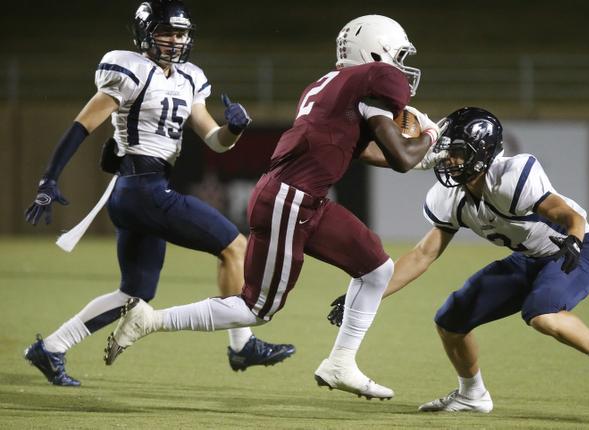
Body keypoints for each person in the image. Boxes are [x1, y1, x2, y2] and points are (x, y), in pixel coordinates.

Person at [103, 14, 448, 400]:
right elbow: (401, 158)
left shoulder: (327, 84)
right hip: (290, 198)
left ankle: (341, 363)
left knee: (377, 268)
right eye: (395, 55)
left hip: (304, 198)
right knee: (257, 308)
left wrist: (425, 158)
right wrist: (432, 135)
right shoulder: (371, 83)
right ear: (375, 51)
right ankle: (149, 320)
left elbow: (363, 149)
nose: (399, 67)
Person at [23, 0, 295, 387]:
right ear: (145, 34)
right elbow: (82, 125)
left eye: (181, 32)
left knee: (134, 294)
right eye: (166, 31)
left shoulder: (189, 79)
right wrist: (49, 178)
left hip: (143, 192)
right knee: (236, 246)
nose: (175, 40)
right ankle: (242, 344)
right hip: (141, 189)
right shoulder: (130, 69)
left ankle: (50, 348)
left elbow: (215, 141)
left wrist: (233, 129)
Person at [328, 106, 589, 411]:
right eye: (449, 149)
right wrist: (367, 297)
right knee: (451, 319)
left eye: (459, 151)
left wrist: (573, 241)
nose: (449, 158)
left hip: (574, 251)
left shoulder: (511, 177)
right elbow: (423, 254)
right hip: (528, 259)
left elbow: (567, 214)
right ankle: (472, 395)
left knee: (542, 313)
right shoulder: (451, 196)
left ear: (482, 153)